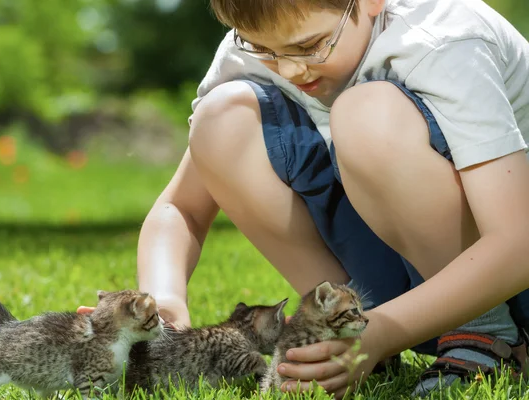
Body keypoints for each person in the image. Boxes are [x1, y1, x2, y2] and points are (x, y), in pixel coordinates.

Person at [79, 0, 529, 397]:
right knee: (221, 120)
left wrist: (384, 330)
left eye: (310, 46)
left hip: (508, 278)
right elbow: (181, 207)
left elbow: (516, 243)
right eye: (264, 50)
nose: (291, 69)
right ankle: (338, 336)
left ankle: (485, 338)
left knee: (366, 114)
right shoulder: (259, 46)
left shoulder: (442, 39)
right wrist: (166, 303)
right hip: (410, 278)